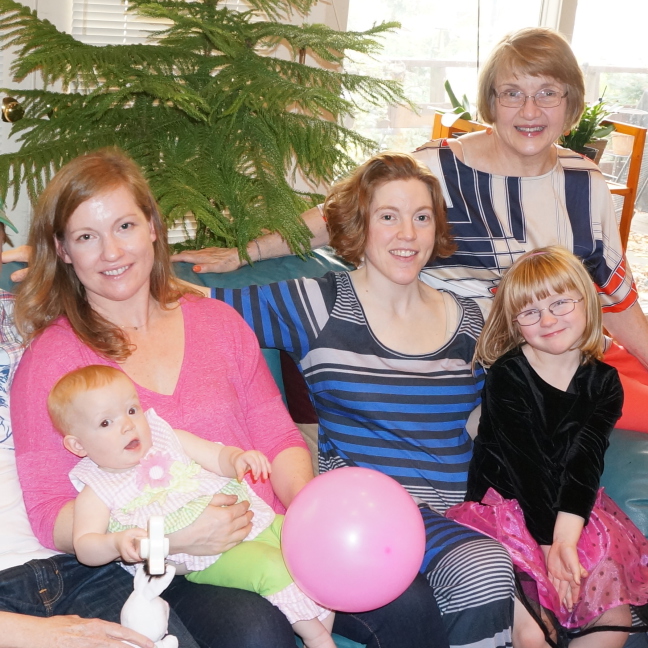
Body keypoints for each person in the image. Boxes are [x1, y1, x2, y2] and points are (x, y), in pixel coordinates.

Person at [9, 148, 447, 648]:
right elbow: (51, 516)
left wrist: (311, 523)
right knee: (255, 630)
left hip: (263, 527)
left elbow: (278, 437)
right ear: (63, 251)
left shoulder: (216, 323)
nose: (112, 253)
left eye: (125, 226)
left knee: (404, 599)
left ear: (153, 227)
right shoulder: (50, 363)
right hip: (169, 566)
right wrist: (165, 539)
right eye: (87, 237)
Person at [172, 27, 648, 433]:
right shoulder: (438, 166)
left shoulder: (584, 182)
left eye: (547, 93)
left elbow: (614, 290)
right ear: (492, 101)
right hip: (458, 361)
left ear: (570, 104)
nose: (530, 110)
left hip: (556, 358)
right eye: (512, 93)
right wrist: (246, 252)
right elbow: (343, 212)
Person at [211, 152, 516, 648]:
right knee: (481, 568)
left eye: (421, 218)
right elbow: (191, 306)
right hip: (361, 520)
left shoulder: (473, 317)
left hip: (462, 516)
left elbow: (535, 389)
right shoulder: (316, 303)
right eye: (388, 216)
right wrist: (68, 276)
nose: (408, 235)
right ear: (358, 224)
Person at [0, 218, 196, 648]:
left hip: (79, 566)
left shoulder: (16, 317)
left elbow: (116, 281)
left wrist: (58, 256)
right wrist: (36, 635)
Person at [446, 246, 648, 648]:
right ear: (515, 322)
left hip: (573, 514)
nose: (549, 319)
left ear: (587, 303)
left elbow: (585, 460)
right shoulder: (508, 374)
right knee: (534, 631)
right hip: (505, 510)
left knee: (616, 620)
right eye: (531, 311)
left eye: (560, 302)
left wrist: (566, 542)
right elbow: (527, 468)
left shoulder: (603, 382)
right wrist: (548, 550)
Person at [49, 365, 334, 648]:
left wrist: (237, 459)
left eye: (131, 410)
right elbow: (85, 545)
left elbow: (216, 455)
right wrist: (114, 543)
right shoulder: (97, 489)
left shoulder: (167, 438)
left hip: (255, 518)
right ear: (77, 445)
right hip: (208, 556)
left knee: (314, 541)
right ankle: (318, 639)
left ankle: (325, 612)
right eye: (105, 423)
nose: (127, 425)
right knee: (272, 568)